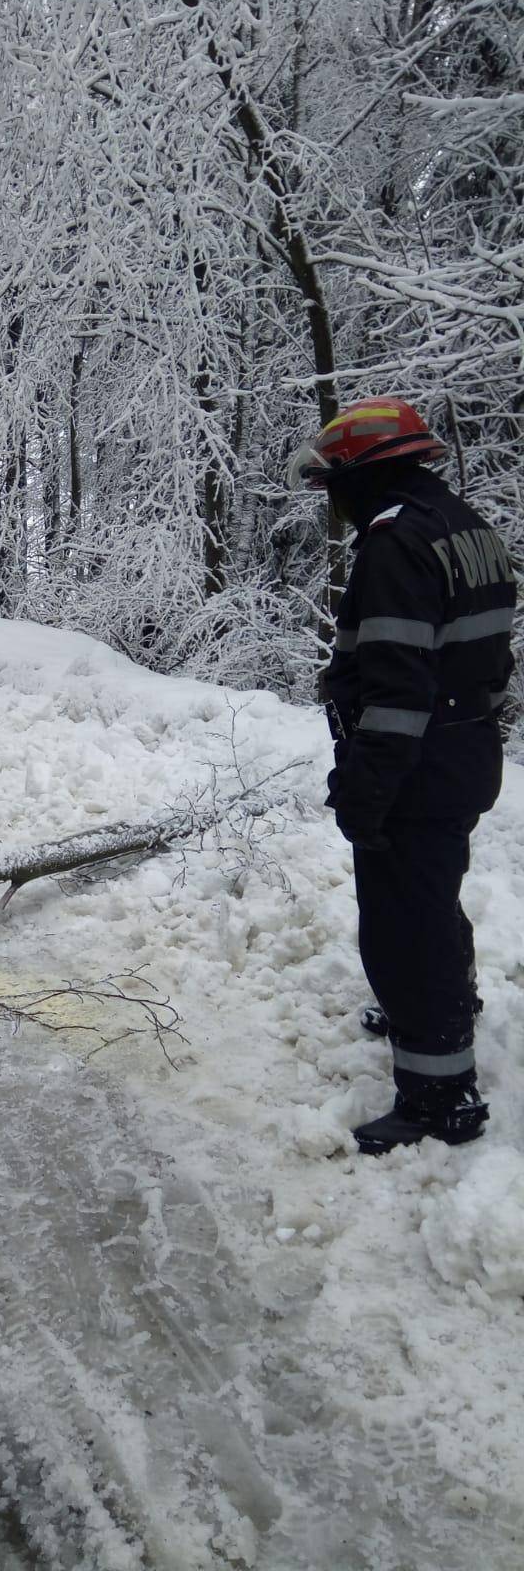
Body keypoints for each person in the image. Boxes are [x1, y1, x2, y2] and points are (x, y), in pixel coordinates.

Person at [288, 398, 515, 1154]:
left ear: (363, 477)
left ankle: (439, 1097)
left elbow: (397, 691)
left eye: (335, 488)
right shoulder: (467, 527)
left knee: (402, 927)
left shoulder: (394, 545)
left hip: (414, 766)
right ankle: (448, 1002)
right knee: (432, 893)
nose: (335, 505)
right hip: (466, 748)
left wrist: (365, 790)